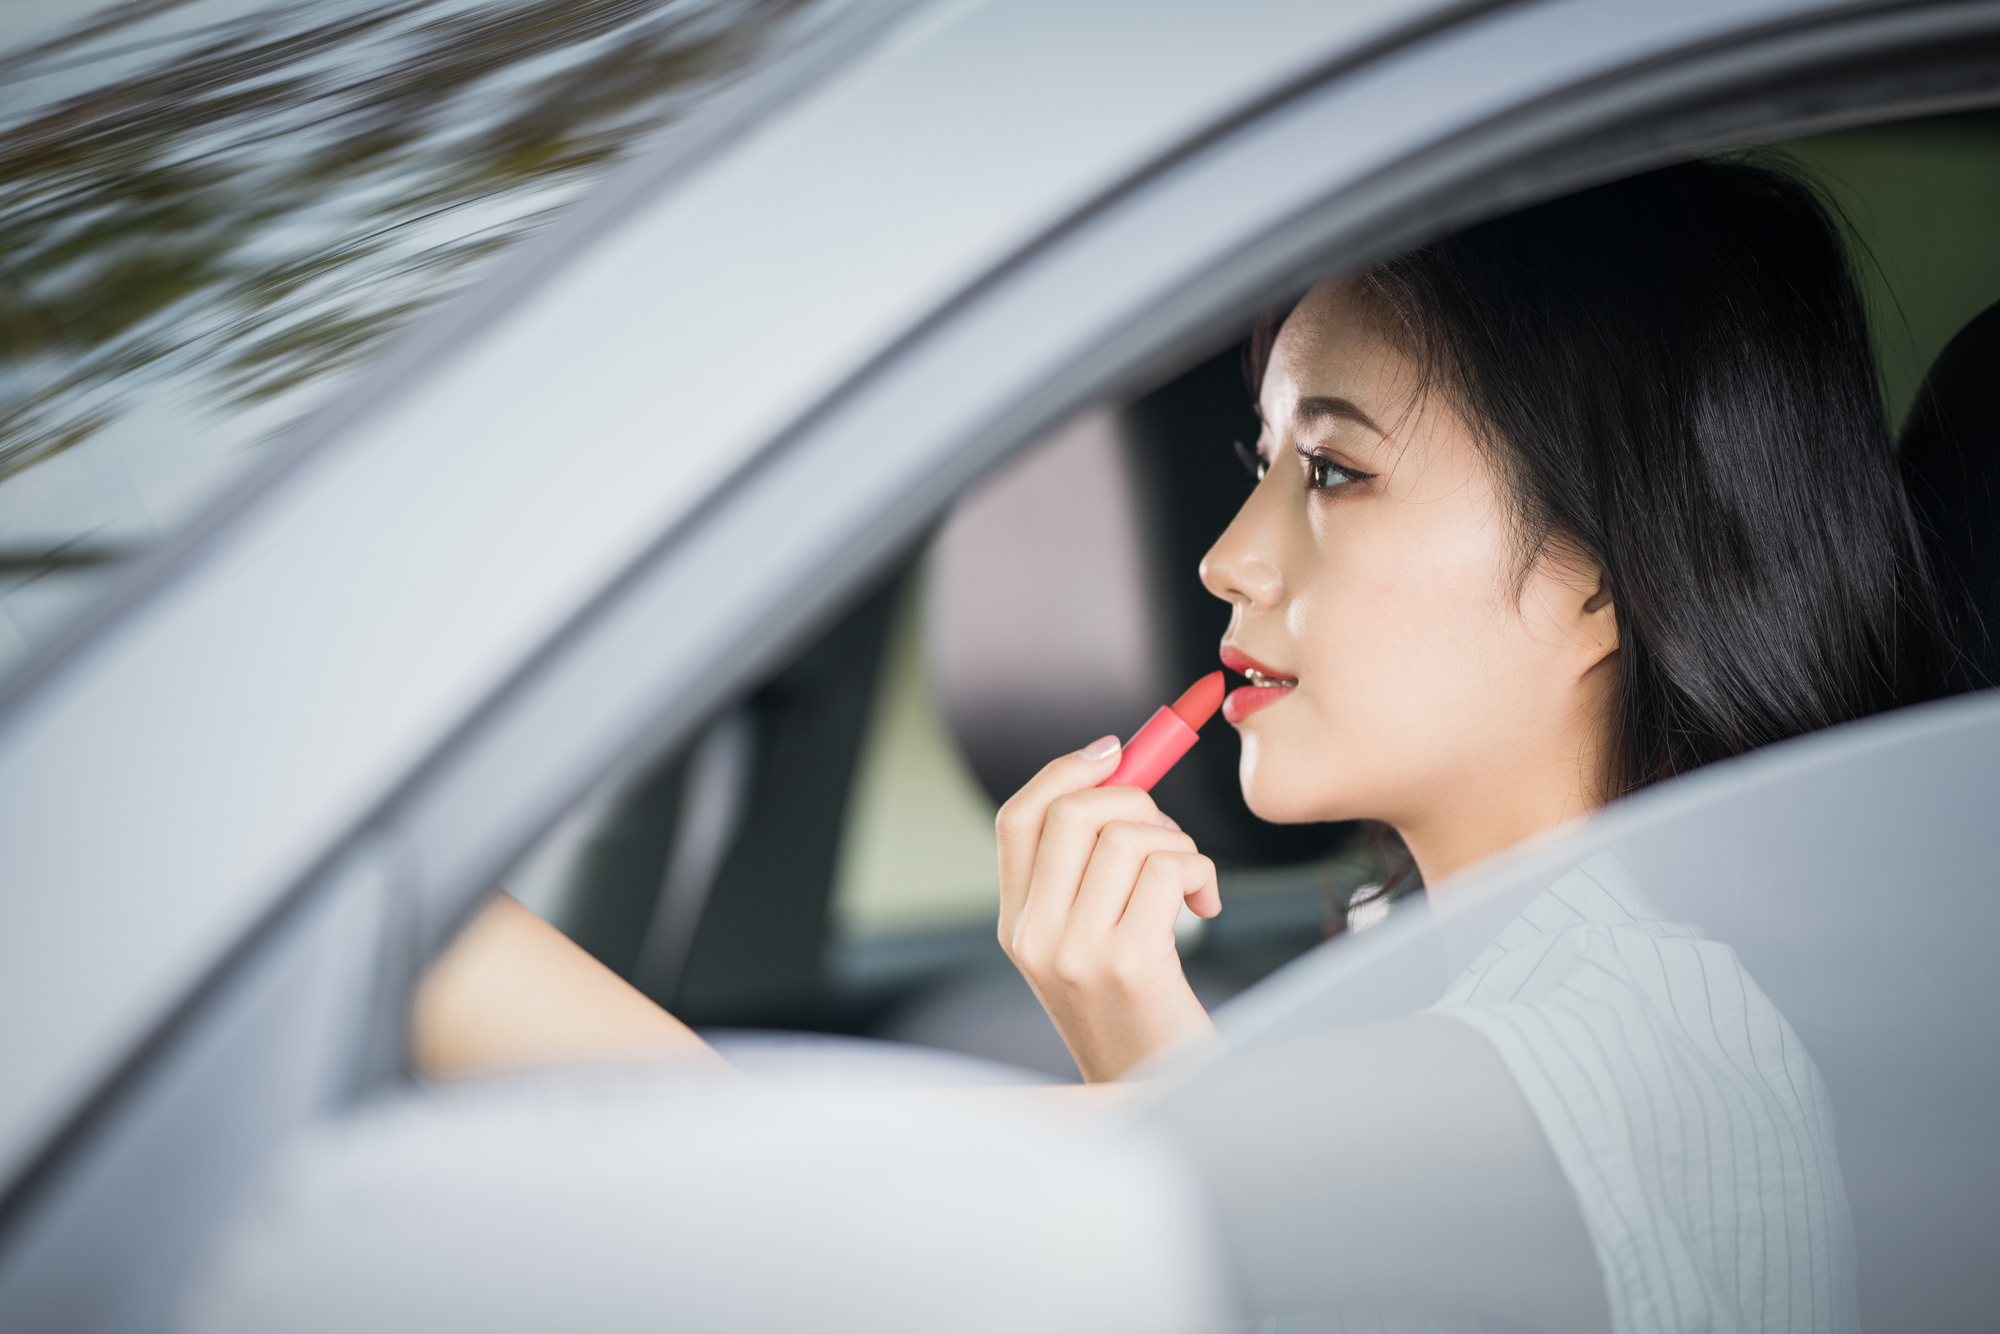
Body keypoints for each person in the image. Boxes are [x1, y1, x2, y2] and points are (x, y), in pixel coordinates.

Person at [411, 156, 1945, 1330]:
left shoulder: (1606, 1049)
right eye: (1258, 461)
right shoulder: (1552, 999)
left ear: (1600, 564)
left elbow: (762, 1199)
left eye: (1333, 473)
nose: (1227, 554)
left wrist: (369, 894)